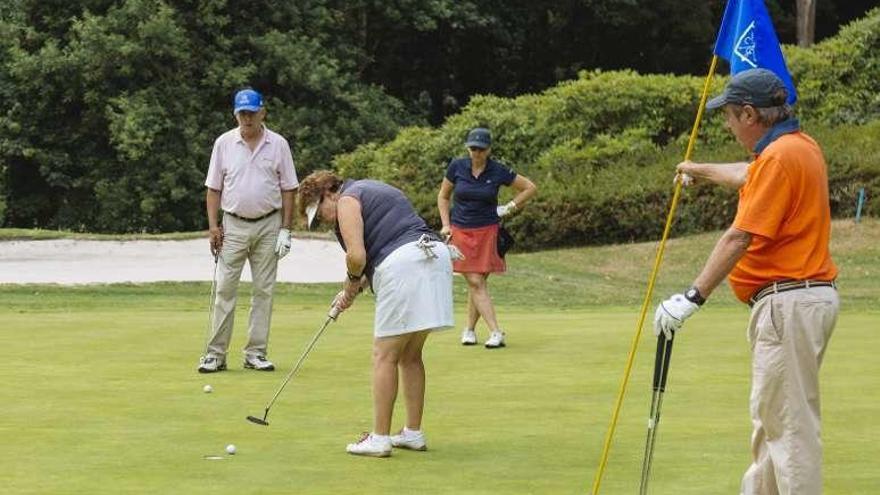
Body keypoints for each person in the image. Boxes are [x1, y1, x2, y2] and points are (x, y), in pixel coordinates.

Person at [653, 68, 839, 495]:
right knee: (773, 424)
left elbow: (739, 236)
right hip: (801, 299)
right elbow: (745, 173)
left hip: (787, 301)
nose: (728, 125)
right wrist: (697, 169)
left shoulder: (779, 157)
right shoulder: (799, 146)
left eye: (731, 116)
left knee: (789, 430)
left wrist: (692, 297)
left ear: (750, 114)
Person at [298, 170, 453, 457]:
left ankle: (380, 438)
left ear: (328, 193)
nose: (323, 220)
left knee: (384, 355)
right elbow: (378, 251)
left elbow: (356, 257)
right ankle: (412, 433)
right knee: (410, 355)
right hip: (432, 258)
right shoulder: (370, 188)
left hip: (406, 265)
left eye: (319, 213)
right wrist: (351, 290)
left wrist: (349, 286)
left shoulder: (346, 200)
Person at [197, 88, 299, 373]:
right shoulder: (224, 143)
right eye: (242, 113)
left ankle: (256, 353)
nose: (247, 118)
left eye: (252, 113)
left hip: (269, 224)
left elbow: (289, 188)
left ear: (262, 112)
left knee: (263, 291)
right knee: (225, 289)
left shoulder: (278, 144)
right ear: (235, 115)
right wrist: (213, 227)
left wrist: (286, 229)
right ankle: (215, 354)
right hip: (233, 224)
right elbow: (213, 188)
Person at [437, 127, 537, 348]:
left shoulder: (498, 170)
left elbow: (529, 188)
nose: (476, 153)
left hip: (487, 232)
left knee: (478, 283)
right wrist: (445, 224)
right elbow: (443, 196)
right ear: (468, 148)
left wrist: (509, 207)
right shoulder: (457, 167)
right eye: (473, 148)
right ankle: (495, 332)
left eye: (481, 149)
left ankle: (469, 330)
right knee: (475, 281)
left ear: (489, 149)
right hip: (460, 232)